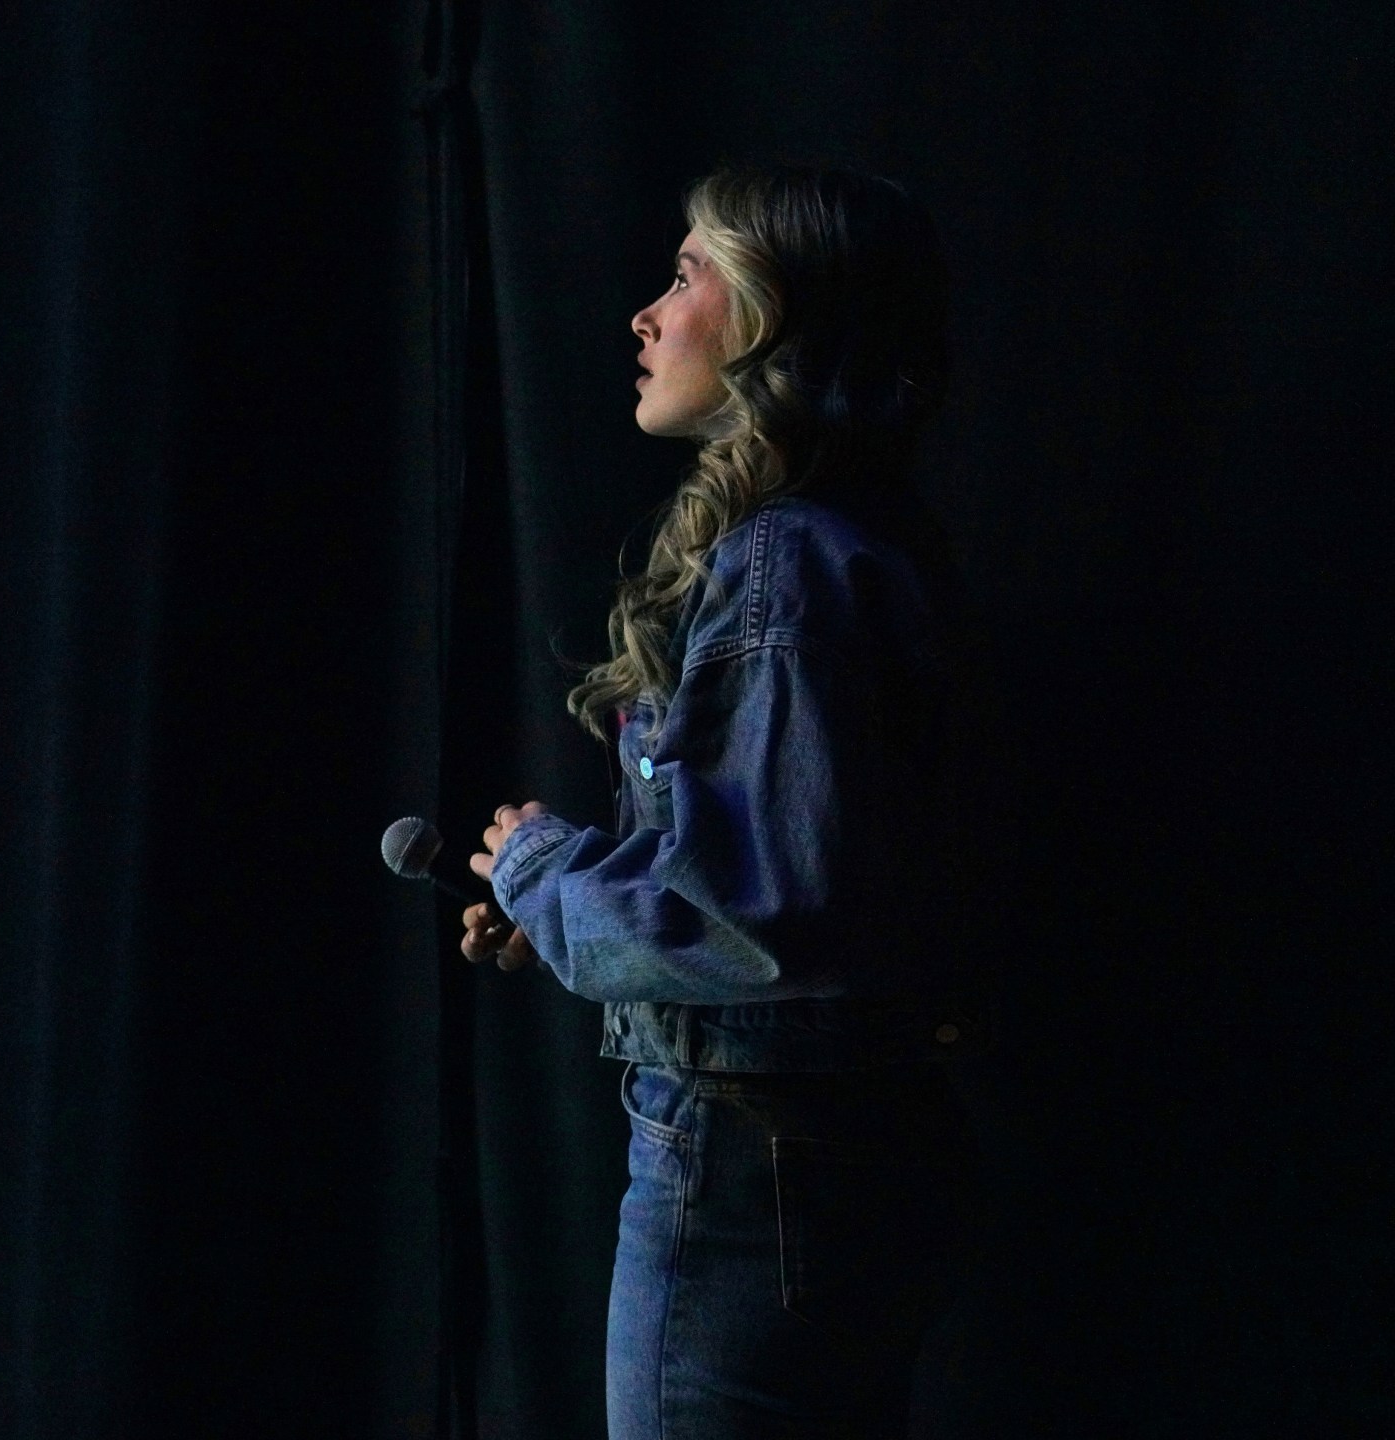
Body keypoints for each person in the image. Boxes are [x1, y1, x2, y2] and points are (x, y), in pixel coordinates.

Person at [459, 163, 991, 1440]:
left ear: (773, 317)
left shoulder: (783, 565)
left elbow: (752, 917)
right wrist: (595, 901)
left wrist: (538, 867)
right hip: (847, 1160)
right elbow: (816, 877)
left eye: (689, 272)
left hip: (754, 1174)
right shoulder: (858, 543)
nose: (646, 314)